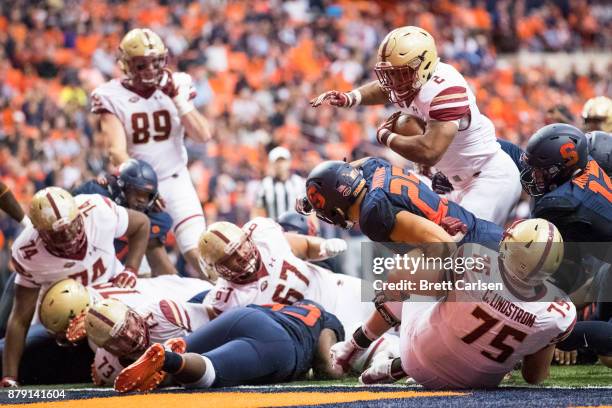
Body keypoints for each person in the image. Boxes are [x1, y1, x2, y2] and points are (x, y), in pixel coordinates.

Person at [311, 26, 521, 225]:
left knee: (466, 252)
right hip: (450, 180)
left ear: (424, 66)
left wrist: (385, 136)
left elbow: (430, 151)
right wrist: (351, 97)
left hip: (486, 177)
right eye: (389, 73)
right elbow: (384, 88)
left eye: (399, 74)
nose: (392, 81)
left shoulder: (445, 89)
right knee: (427, 244)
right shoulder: (412, 81)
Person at [333, 219, 576, 389]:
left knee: (408, 281)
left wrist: (441, 244)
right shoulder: (559, 312)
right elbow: (534, 376)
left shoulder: (474, 259)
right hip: (481, 384)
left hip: (419, 359)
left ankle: (355, 346)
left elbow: (399, 279)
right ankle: (397, 367)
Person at [91, 28, 211, 278]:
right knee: (146, 268)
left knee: (199, 252)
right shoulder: (110, 95)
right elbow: (116, 151)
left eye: (155, 62)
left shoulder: (178, 83)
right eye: (141, 64)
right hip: (136, 188)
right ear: (126, 64)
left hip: (176, 180)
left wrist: (178, 99)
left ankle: (227, 305)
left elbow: (203, 135)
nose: (150, 70)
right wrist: (145, 186)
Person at [1, 187, 150, 387]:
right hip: (62, 326)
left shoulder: (98, 211)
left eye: (72, 226)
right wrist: (9, 376)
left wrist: (131, 269)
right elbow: (20, 318)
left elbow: (141, 223)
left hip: (113, 308)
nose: (69, 236)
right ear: (40, 234)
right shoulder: (28, 251)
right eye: (59, 234)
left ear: (80, 214)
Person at [114, 300, 344, 392]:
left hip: (245, 314)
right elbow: (326, 363)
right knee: (209, 370)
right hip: (281, 344)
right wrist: (335, 369)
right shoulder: (325, 317)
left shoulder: (292, 305)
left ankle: (164, 363)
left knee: (185, 348)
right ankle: (168, 360)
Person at [298, 158, 504, 248]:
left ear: (335, 209)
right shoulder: (374, 168)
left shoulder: (373, 215)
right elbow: (352, 167)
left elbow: (444, 247)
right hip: (481, 231)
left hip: (475, 253)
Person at [73, 159, 177, 277]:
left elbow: (160, 265)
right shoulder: (96, 196)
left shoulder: (152, 217)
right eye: (137, 192)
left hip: (116, 274)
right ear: (122, 187)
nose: (142, 200)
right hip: (78, 264)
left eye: (147, 195)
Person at [252, 147, 305, 220]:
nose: (280, 164)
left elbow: (309, 209)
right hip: (273, 229)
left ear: (289, 162)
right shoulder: (265, 184)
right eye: (277, 161)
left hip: (297, 228)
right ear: (271, 164)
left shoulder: (299, 182)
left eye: (283, 161)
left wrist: (315, 229)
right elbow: (258, 210)